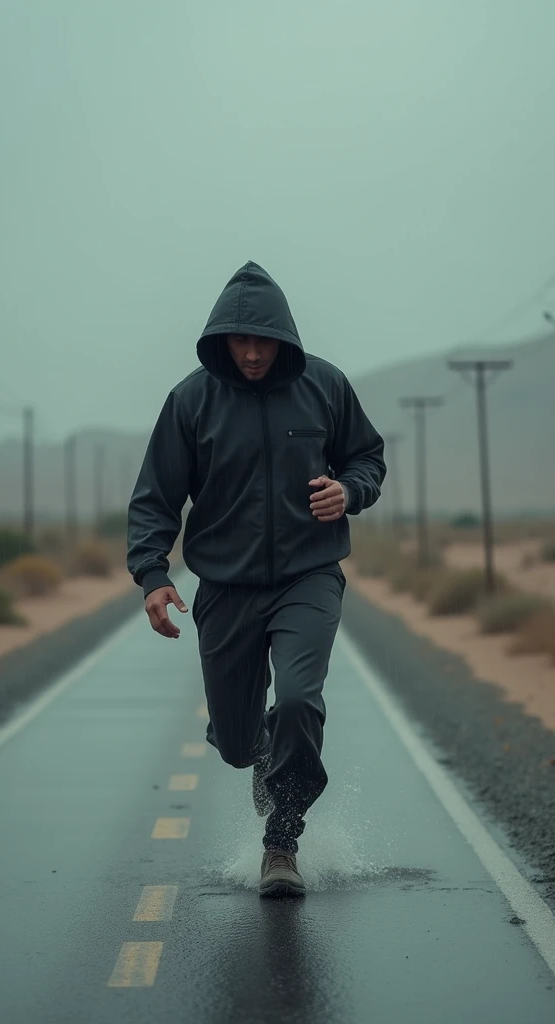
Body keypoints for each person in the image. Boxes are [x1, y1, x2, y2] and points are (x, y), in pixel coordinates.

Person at [127, 260, 386, 897]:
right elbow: (157, 496)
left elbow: (367, 457)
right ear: (221, 338)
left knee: (299, 696)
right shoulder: (191, 399)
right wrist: (153, 574)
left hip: (308, 575)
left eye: (262, 340)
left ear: (284, 337)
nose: (250, 353)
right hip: (225, 586)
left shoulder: (325, 386)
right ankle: (258, 739)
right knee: (240, 746)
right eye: (239, 340)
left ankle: (282, 840)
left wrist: (348, 491)